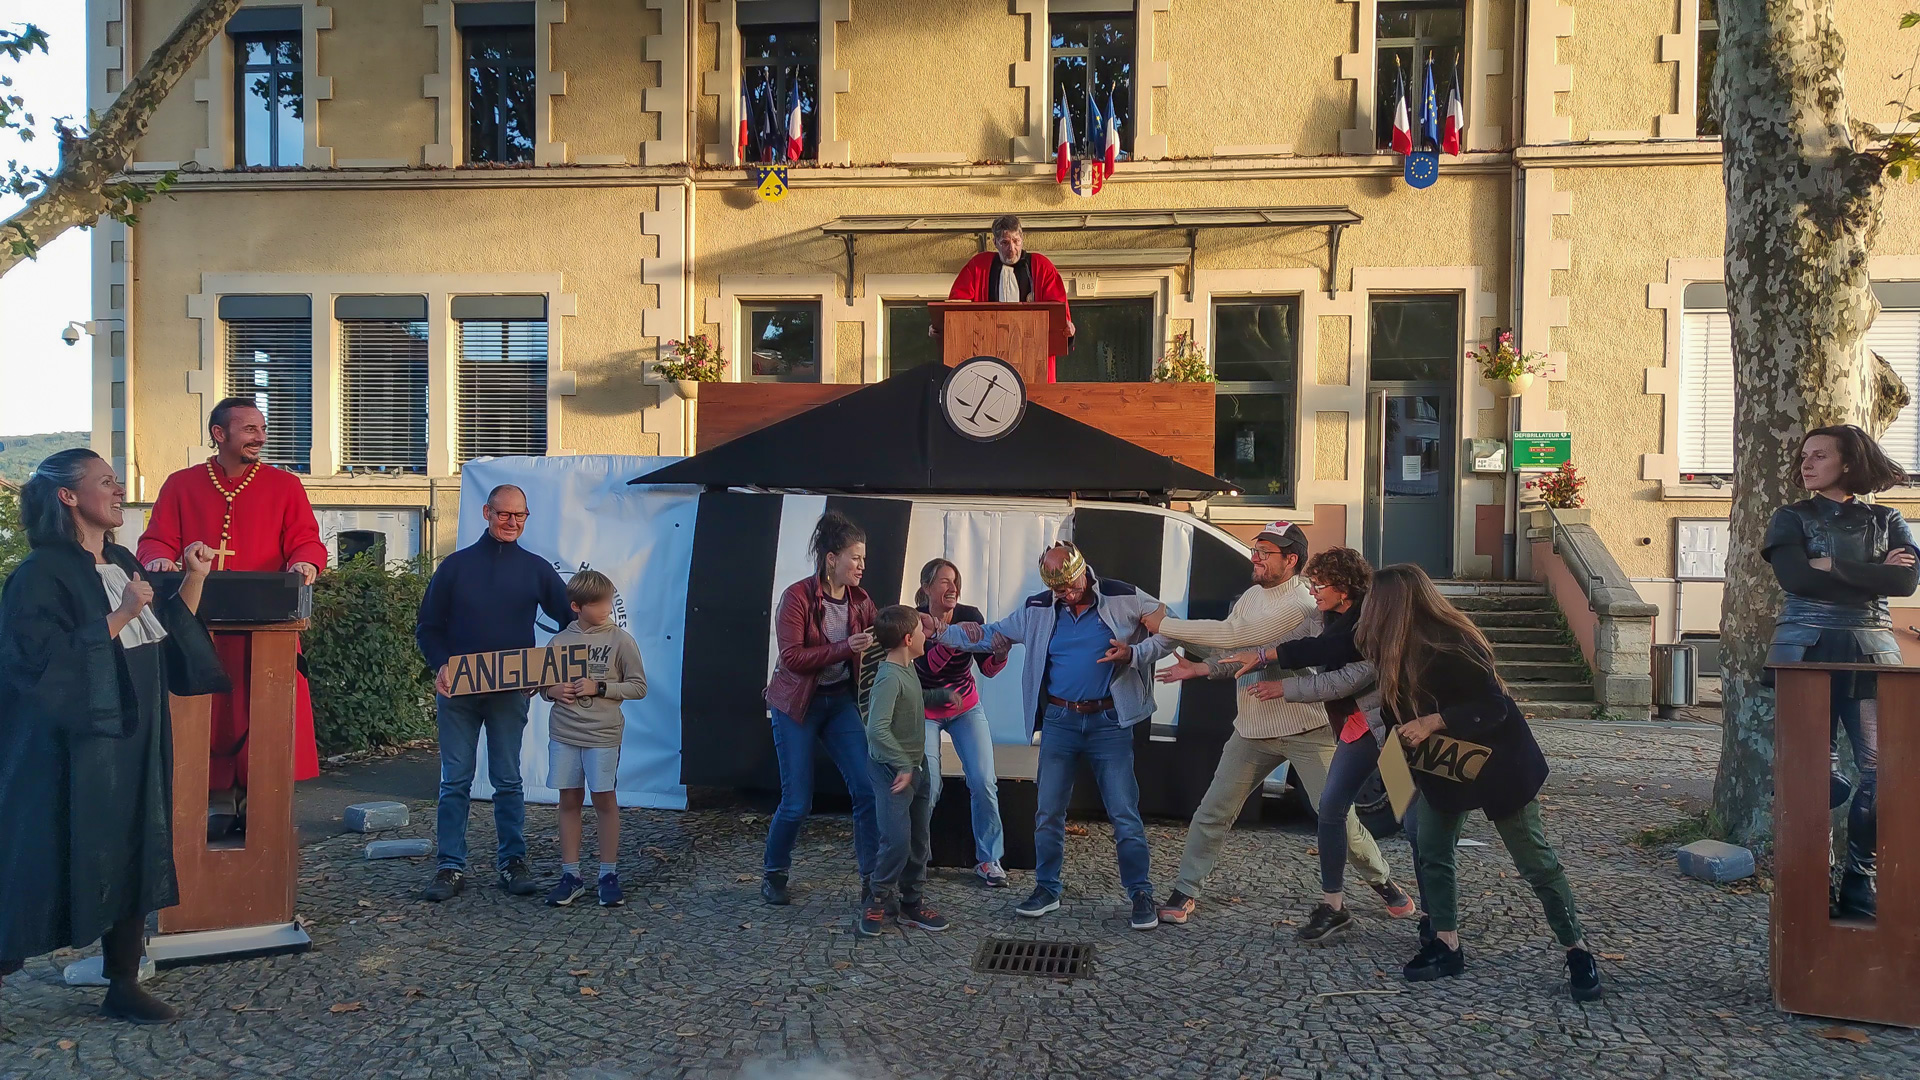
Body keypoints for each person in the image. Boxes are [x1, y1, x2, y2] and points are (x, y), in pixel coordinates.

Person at [0, 449, 227, 1023]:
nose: (119, 489)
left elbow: (165, 633)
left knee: (134, 848)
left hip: (137, 738)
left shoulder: (123, 557)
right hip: (72, 753)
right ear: (68, 497)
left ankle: (122, 981)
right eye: (105, 482)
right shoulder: (38, 575)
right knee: (44, 856)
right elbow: (37, 665)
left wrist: (192, 580)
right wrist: (122, 612)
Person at [1145, 525, 1413, 934]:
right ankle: (1184, 891)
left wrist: (1164, 624)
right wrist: (1205, 667)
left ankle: (1383, 881)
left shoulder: (1303, 604)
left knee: (1337, 816)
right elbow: (1240, 654)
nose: (1256, 557)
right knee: (1212, 811)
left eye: (1266, 552)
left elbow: (1238, 638)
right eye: (1255, 549)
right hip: (1252, 729)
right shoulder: (1253, 597)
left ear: (1291, 560)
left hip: (1307, 727)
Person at [1355, 563, 1602, 1001]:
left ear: (1394, 605)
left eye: (1375, 600)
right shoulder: (1390, 650)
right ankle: (1446, 943)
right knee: (1431, 849)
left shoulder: (1453, 643)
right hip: (1440, 768)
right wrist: (1397, 780)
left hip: (1499, 764)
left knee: (1535, 861)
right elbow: (1394, 722)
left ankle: (1577, 949)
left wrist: (1435, 721)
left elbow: (1495, 707)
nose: (1367, 607)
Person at [939, 541, 1169, 930]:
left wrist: (1134, 654)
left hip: (1108, 721)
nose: (1065, 594)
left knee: (1123, 813)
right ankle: (1047, 888)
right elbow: (992, 635)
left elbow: (1171, 630)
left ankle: (1140, 892)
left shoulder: (1123, 595)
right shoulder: (1038, 608)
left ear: (1083, 568)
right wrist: (942, 633)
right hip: (1061, 720)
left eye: (1070, 586)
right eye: (1057, 589)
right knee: (1048, 812)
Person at [136, 397, 328, 840]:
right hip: (199, 627)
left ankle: (265, 807)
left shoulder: (284, 486)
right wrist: (162, 561)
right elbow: (155, 541)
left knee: (263, 714)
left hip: (266, 628)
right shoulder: (181, 484)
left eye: (262, 428)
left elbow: (306, 541)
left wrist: (306, 565)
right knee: (210, 715)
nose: (260, 437)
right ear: (219, 434)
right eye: (249, 429)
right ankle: (215, 806)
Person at [1763, 424, 1917, 920]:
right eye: (1804, 455)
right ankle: (1811, 878)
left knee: (1883, 770)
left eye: (1820, 455)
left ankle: (1860, 879)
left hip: (1871, 651)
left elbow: (1908, 581)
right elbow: (1796, 578)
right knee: (1813, 774)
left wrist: (1833, 566)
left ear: (1848, 463)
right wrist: (1872, 574)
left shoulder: (1886, 518)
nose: (1806, 464)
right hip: (1804, 649)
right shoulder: (1791, 517)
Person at [1240, 547, 1432, 942]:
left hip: (1388, 732)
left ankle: (1434, 914)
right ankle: (1334, 906)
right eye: (1311, 583)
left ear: (1344, 589)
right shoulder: (1321, 618)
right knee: (1329, 808)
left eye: (1319, 584)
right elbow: (1288, 644)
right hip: (1355, 731)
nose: (1312, 591)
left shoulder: (1375, 622)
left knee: (1415, 826)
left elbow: (1343, 680)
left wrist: (1283, 687)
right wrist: (1215, 663)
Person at [414, 484, 572, 903]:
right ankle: (450, 866)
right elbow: (428, 627)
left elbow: (572, 623)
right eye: (505, 515)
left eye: (520, 516)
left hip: (509, 693)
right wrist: (441, 664)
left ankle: (512, 862)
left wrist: (543, 671)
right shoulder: (455, 567)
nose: (512, 522)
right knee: (456, 780)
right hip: (458, 689)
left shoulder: (536, 569)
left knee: (508, 779)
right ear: (487, 512)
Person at [761, 510, 881, 909]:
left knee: (867, 789)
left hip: (839, 701)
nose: (862, 566)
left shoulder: (861, 601)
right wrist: (846, 647)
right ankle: (774, 873)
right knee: (797, 802)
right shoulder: (797, 597)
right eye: (855, 557)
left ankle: (872, 880)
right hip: (797, 704)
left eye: (863, 558)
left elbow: (883, 641)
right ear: (831, 558)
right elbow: (792, 658)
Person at [539, 569, 647, 910]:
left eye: (609, 601)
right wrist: (555, 691)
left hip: (602, 735)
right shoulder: (559, 641)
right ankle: (571, 876)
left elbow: (639, 687)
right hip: (565, 733)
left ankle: (608, 874)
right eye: (599, 603)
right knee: (568, 800)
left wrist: (600, 687)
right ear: (577, 606)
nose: (606, 609)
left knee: (604, 799)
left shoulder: (621, 640)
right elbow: (543, 687)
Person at [914, 558, 1012, 887]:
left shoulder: (971, 617)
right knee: (928, 786)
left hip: (965, 707)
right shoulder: (915, 621)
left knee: (984, 781)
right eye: (943, 581)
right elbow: (925, 670)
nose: (952, 587)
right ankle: (917, 859)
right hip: (926, 709)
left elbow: (987, 668)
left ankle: (989, 860)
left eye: (955, 581)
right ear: (926, 587)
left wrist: (999, 653)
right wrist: (951, 637)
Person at [858, 605, 953, 936]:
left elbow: (913, 700)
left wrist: (939, 695)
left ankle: (912, 901)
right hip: (893, 773)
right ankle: (876, 898)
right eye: (922, 631)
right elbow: (876, 730)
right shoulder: (887, 679)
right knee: (896, 841)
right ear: (909, 638)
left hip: (916, 768)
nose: (928, 634)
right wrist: (901, 764)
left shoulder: (907, 667)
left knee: (918, 840)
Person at [940, 214, 1074, 382]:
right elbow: (957, 306)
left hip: (1033, 355)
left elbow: (1058, 309)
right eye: (1005, 243)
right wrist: (942, 327)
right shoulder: (978, 266)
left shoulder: (1042, 266)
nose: (1011, 248)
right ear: (995, 243)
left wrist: (1066, 328)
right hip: (988, 353)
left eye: (1016, 241)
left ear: (1022, 238)